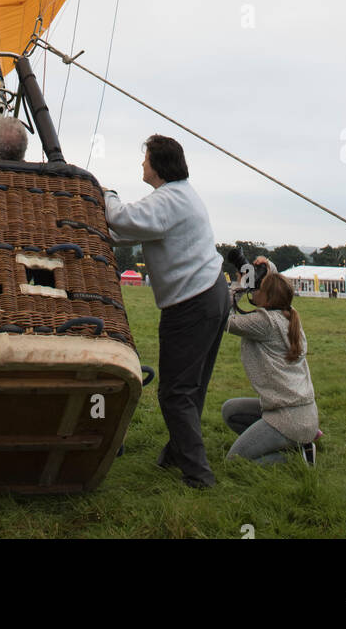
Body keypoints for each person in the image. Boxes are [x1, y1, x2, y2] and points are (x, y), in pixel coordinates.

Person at [103, 135, 229, 489]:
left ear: (158, 165)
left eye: (145, 160)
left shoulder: (169, 200)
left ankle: (199, 476)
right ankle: (176, 453)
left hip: (191, 304)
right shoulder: (180, 196)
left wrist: (105, 193)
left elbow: (122, 218)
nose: (142, 165)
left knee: (175, 393)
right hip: (213, 294)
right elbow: (131, 232)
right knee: (192, 387)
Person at [222, 261, 320, 467]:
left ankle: (296, 459)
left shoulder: (265, 323)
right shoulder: (289, 314)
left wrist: (240, 285)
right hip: (301, 413)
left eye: (258, 288)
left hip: (288, 418)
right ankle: (292, 442)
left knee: (235, 462)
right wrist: (265, 265)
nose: (254, 290)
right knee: (231, 410)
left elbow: (223, 319)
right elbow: (277, 284)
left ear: (267, 298)